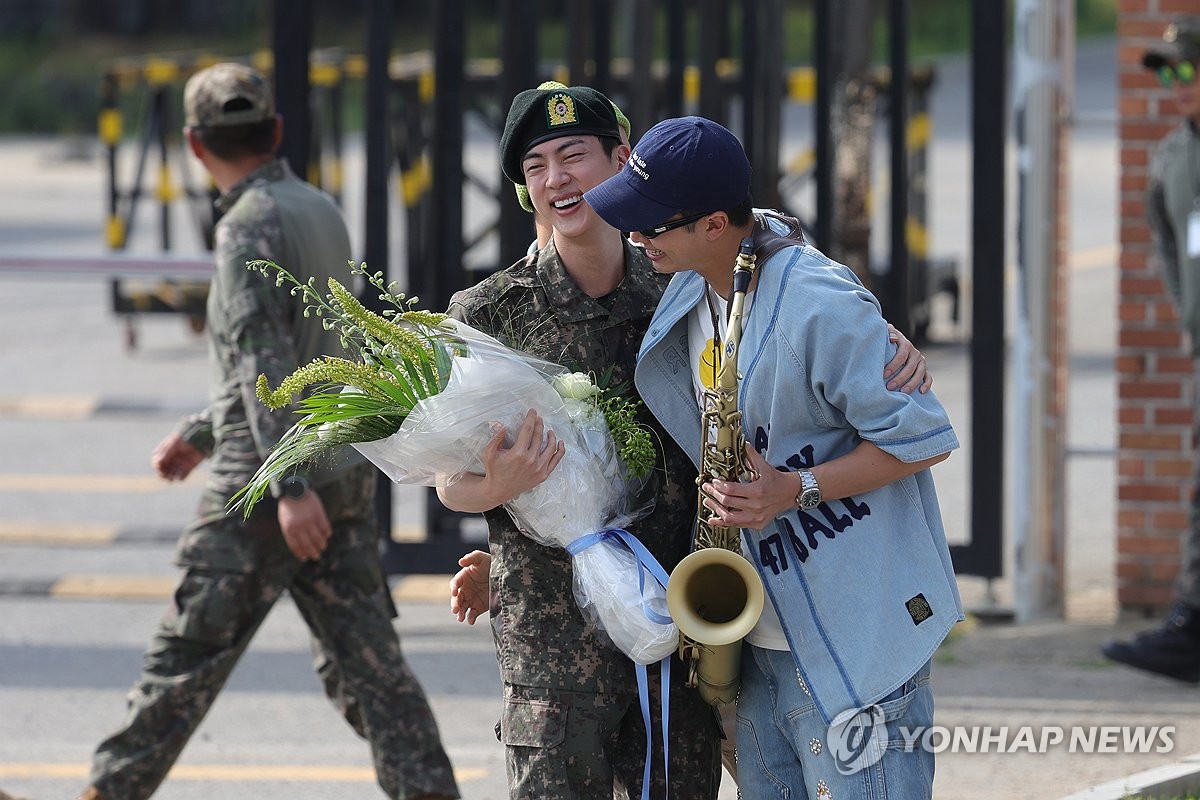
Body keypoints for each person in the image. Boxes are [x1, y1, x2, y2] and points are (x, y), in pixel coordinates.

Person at [440, 86, 933, 798]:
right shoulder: (487, 313)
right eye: (536, 166)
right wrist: (498, 492)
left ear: (622, 159)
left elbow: (766, 249)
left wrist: (882, 335)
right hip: (551, 650)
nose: (557, 179)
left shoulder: (680, 279)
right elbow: (451, 481)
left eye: (574, 155)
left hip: (679, 631)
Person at [75, 63, 459, 800]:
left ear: (193, 143)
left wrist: (286, 484)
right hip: (338, 465)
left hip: (267, 483)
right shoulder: (318, 207)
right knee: (370, 667)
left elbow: (265, 353)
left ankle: (107, 793)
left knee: (185, 657)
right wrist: (203, 428)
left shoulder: (245, 224)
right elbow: (316, 352)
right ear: (277, 132)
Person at [583, 116, 963, 799]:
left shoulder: (819, 303)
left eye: (651, 224)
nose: (635, 237)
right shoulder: (690, 282)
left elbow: (924, 437)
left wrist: (798, 489)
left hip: (858, 641)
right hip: (763, 643)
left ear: (714, 225)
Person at [1102, 17, 1200, 684]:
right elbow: (1169, 244)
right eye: (1166, 72)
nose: (1174, 84)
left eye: (1186, 69)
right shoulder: (1175, 155)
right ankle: (1191, 628)